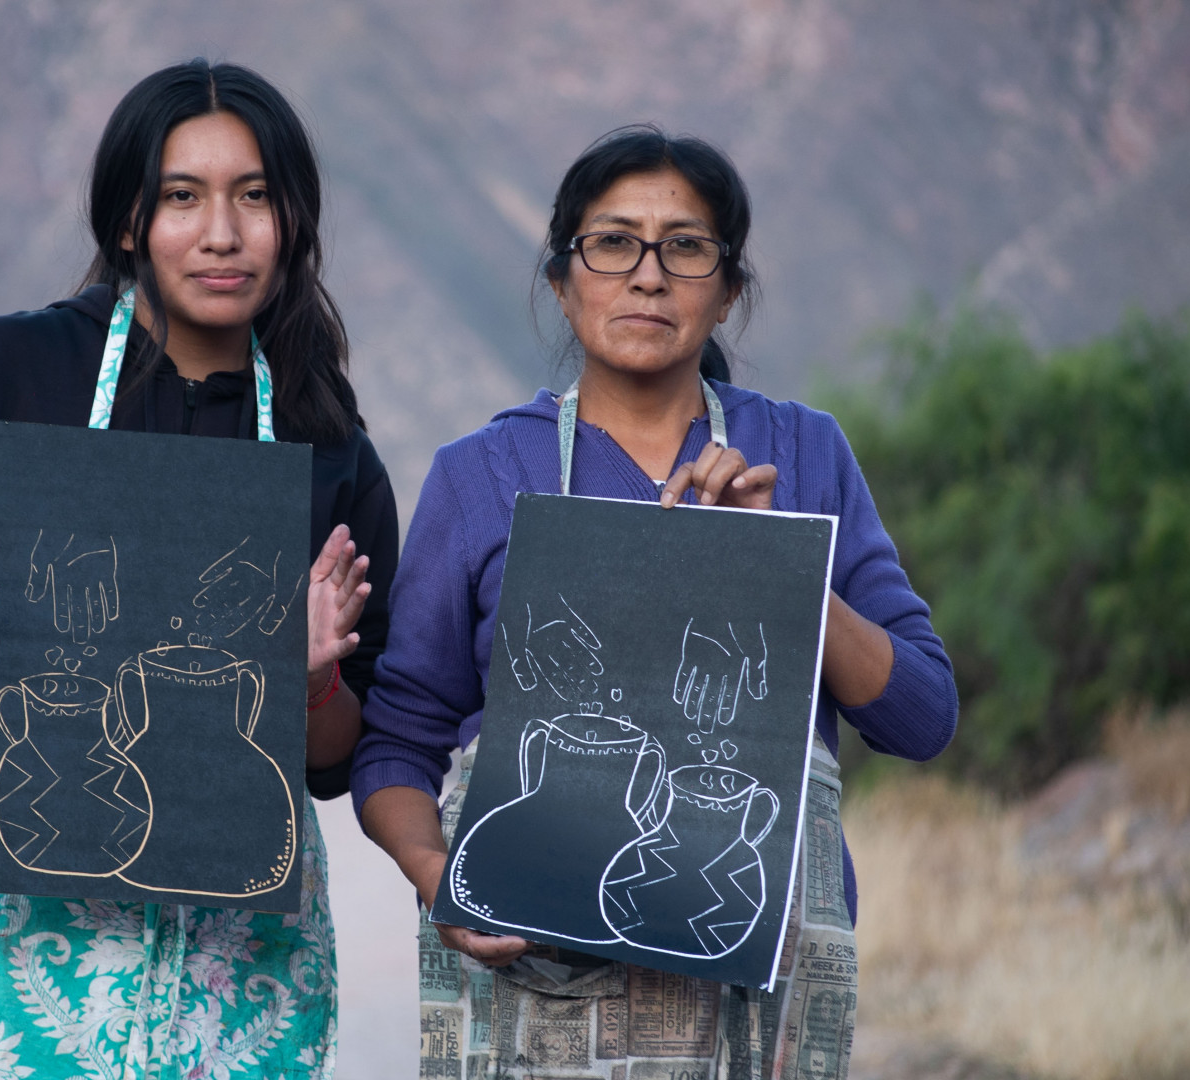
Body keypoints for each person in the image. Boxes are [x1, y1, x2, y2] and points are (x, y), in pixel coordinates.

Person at [0, 60, 398, 1080]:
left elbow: (332, 759)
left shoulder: (327, 438)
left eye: (254, 197)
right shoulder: (0, 373)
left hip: (234, 939)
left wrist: (306, 678)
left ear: (293, 220)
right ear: (128, 220)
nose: (221, 232)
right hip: (14, 892)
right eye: (183, 197)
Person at [352, 125, 957, 1078]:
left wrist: (779, 568)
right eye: (612, 243)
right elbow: (396, 742)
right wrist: (440, 880)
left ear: (728, 292)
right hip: (532, 976)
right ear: (563, 279)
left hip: (759, 983)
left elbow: (922, 714)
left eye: (685, 246)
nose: (647, 275)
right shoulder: (481, 476)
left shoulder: (802, 458)